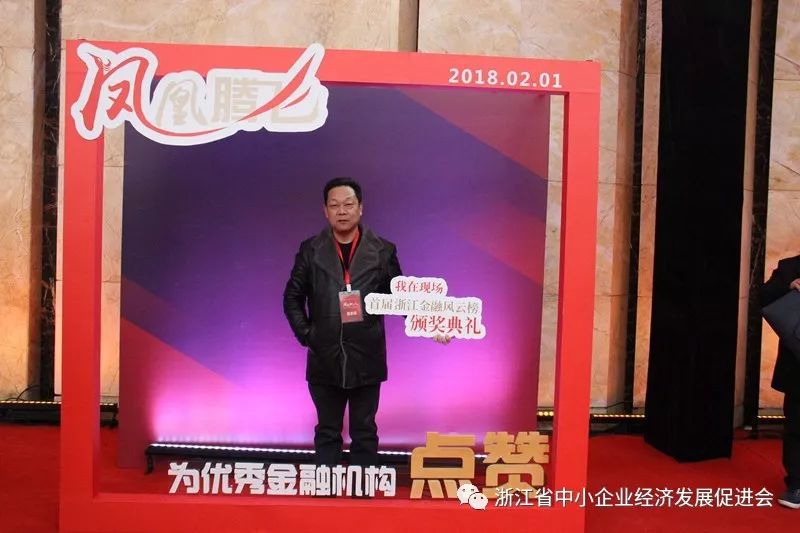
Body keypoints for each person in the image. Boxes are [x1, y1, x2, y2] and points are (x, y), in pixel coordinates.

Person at [283, 177, 449, 473]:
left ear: (360, 208)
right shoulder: (310, 250)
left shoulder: (383, 250)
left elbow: (399, 297)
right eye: (335, 205)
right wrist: (309, 336)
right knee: (327, 430)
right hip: (324, 356)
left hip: (367, 355)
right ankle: (326, 489)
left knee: (364, 430)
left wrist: (429, 324)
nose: (342, 211)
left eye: (348, 204)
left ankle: (363, 492)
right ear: (325, 211)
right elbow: (292, 297)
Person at [760, 253, 800, 509]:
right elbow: (763, 297)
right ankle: (796, 484)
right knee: (797, 425)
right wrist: (789, 286)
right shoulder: (790, 267)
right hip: (797, 364)